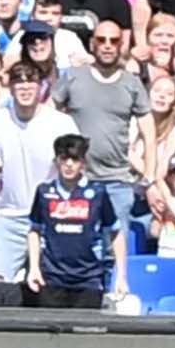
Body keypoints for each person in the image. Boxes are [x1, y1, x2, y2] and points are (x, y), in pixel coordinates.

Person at [25, 130, 122, 309]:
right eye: (64, 159)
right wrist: (34, 268)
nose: (69, 164)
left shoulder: (98, 193)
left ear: (83, 164)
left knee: (85, 334)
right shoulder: (44, 192)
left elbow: (116, 232)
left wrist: (121, 276)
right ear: (57, 162)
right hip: (52, 278)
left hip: (89, 279)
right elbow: (34, 231)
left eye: (75, 160)